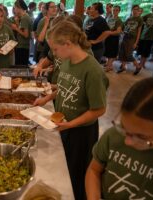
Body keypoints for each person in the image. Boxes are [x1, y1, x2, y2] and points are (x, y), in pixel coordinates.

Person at [34, 20, 108, 200]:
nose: (54, 54)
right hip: (65, 124)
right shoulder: (67, 61)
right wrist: (46, 98)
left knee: (76, 172)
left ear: (68, 44)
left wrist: (71, 124)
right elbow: (62, 86)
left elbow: (99, 109)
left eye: (56, 49)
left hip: (81, 132)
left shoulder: (92, 70)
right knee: (63, 165)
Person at [85, 77, 153, 199]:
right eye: (124, 127)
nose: (127, 141)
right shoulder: (114, 136)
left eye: (141, 136)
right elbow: (94, 170)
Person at [91, 5, 123, 72]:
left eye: (116, 10)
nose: (115, 11)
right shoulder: (110, 18)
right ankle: (109, 65)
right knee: (108, 52)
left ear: (119, 11)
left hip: (114, 39)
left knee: (112, 53)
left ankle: (108, 66)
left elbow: (118, 32)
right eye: (114, 10)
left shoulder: (119, 20)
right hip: (107, 38)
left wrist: (109, 33)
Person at [117, 5, 143, 75]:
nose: (135, 11)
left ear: (138, 11)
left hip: (132, 39)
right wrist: (121, 30)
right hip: (125, 37)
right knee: (122, 53)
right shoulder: (129, 18)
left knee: (129, 55)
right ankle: (123, 67)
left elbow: (139, 32)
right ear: (132, 10)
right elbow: (123, 26)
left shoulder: (139, 19)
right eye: (134, 9)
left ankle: (138, 66)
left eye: (137, 9)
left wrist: (136, 43)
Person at [137, 2, 153, 69]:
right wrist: (146, 23)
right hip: (144, 35)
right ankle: (141, 63)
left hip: (151, 37)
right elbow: (141, 19)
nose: (152, 7)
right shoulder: (149, 15)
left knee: (146, 51)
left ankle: (142, 64)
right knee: (142, 50)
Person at [11, 0, 33, 66]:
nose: (14, 10)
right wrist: (17, 23)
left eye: (15, 8)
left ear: (19, 7)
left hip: (22, 46)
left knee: (20, 67)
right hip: (23, 46)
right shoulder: (25, 16)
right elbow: (22, 30)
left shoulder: (24, 18)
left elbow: (26, 35)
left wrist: (15, 28)